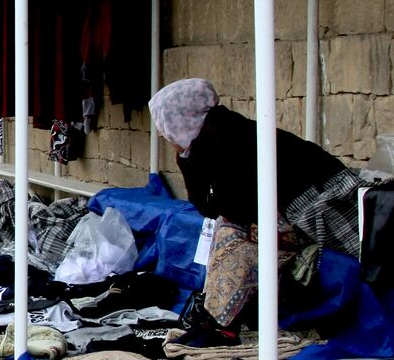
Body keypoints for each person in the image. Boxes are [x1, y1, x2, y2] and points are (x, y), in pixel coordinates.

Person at [150, 78, 361, 255]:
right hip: (301, 211)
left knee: (230, 236)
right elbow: (209, 207)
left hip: (327, 207)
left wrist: (189, 162)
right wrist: (187, 160)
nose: (162, 135)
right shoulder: (215, 138)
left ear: (184, 122)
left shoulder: (228, 142)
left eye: (165, 127)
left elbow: (231, 209)